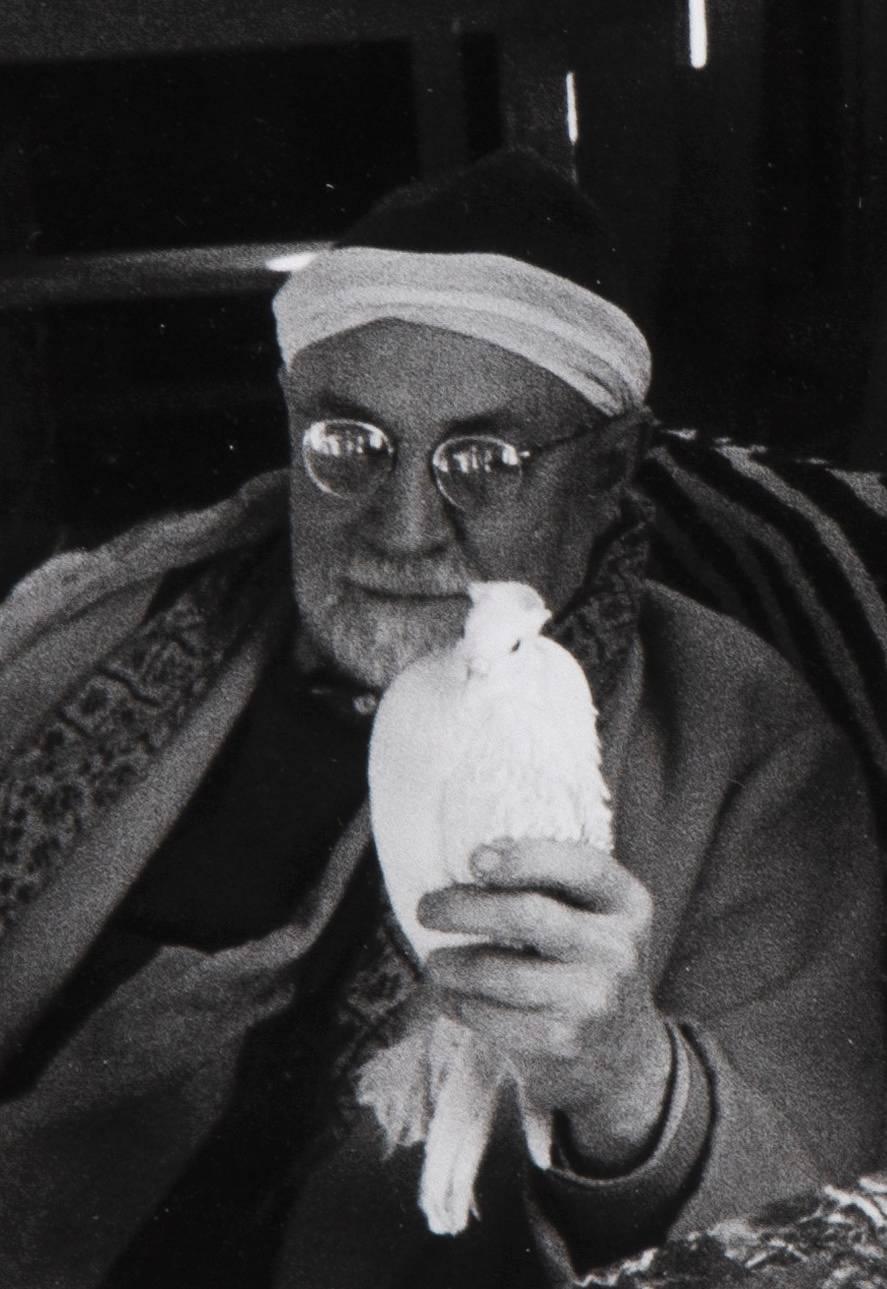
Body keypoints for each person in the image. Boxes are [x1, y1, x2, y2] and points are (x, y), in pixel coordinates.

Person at [0, 149, 882, 1289]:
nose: (404, 526)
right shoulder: (89, 632)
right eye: (349, 446)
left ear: (607, 472)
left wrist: (623, 1076)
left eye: (484, 459)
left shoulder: (741, 744)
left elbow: (814, 1200)